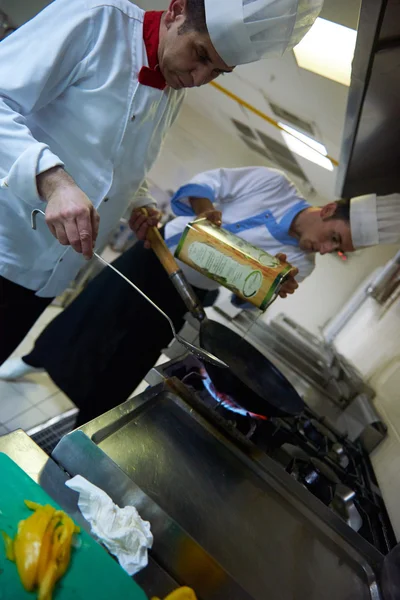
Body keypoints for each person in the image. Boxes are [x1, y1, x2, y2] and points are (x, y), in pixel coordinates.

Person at [0, 0, 324, 367]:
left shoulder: (173, 94)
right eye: (200, 54)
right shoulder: (98, 19)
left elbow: (120, 167)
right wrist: (54, 182)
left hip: (47, 279)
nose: (200, 78)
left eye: (218, 72)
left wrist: (139, 203)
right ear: (176, 10)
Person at [3, 166, 400, 426]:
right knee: (90, 314)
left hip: (188, 293)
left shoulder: (301, 263)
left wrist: (267, 285)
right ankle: (34, 359)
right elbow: (211, 183)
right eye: (334, 238)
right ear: (328, 209)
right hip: (156, 255)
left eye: (338, 249)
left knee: (131, 355)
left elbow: (243, 300)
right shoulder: (274, 184)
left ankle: (90, 419)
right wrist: (207, 210)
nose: (327, 249)